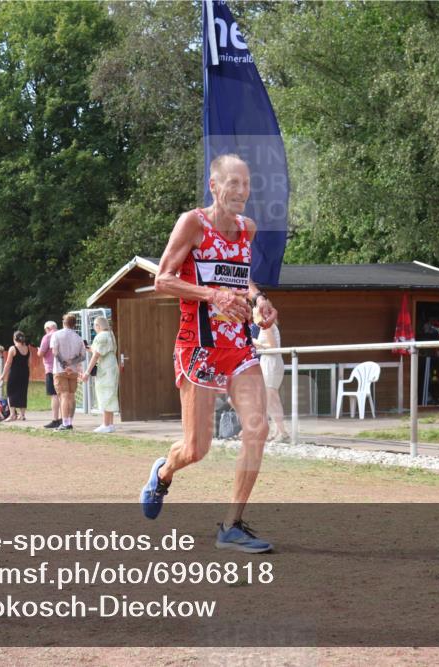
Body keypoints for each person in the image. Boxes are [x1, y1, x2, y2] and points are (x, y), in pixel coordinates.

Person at [139, 153, 277, 554]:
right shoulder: (193, 223)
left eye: (245, 184)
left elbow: (240, 277)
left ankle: (231, 525)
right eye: (232, 183)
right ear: (214, 187)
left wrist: (259, 301)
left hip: (237, 345)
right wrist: (210, 294)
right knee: (197, 449)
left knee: (258, 427)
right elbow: (162, 279)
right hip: (198, 345)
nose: (240, 191)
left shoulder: (246, 229)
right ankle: (163, 472)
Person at [253, 307, 289, 442]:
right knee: (270, 399)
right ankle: (277, 431)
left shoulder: (266, 325)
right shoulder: (267, 325)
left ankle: (282, 432)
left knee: (271, 398)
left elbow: (272, 347)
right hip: (269, 362)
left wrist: (255, 342)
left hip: (271, 362)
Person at [81, 316, 120, 433]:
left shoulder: (101, 336)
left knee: (104, 393)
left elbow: (96, 355)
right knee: (110, 393)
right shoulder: (110, 334)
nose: (94, 329)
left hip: (105, 368)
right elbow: (100, 350)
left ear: (98, 326)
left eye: (95, 326)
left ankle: (106, 424)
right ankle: (110, 424)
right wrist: (90, 348)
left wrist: (87, 372)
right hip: (111, 366)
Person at [50, 313, 86, 430]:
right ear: (74, 324)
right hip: (74, 370)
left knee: (64, 396)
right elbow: (83, 356)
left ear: (63, 322)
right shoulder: (78, 337)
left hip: (60, 370)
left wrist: (64, 364)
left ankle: (65, 422)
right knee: (71, 396)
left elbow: (55, 352)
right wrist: (72, 362)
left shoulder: (56, 335)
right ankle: (70, 421)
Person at [0, 331, 30, 421]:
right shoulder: (27, 348)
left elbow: (8, 363)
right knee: (22, 392)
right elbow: (29, 363)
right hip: (25, 373)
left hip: (15, 373)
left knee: (11, 392)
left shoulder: (13, 348)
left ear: (14, 338)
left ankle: (12, 415)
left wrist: (2, 375)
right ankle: (22, 415)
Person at [37, 321, 61, 429]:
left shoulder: (47, 337)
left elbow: (41, 353)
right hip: (63, 368)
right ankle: (63, 419)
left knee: (54, 395)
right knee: (63, 395)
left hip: (51, 369)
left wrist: (39, 351)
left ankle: (55, 419)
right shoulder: (62, 334)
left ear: (47, 328)